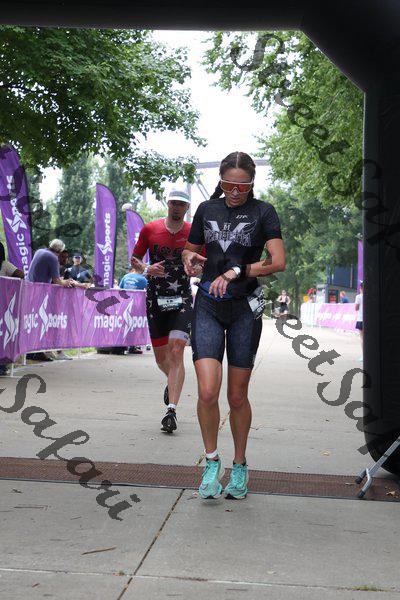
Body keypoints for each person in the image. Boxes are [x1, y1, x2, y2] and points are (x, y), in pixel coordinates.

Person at [182, 151, 285, 500]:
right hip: (208, 305)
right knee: (207, 392)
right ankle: (212, 462)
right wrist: (190, 260)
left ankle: (239, 465)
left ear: (252, 183)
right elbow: (190, 250)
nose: (236, 191)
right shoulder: (206, 209)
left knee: (237, 396)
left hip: (244, 308)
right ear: (221, 181)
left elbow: (278, 262)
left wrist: (238, 270)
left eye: (243, 186)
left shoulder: (263, 212)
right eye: (229, 185)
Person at [131, 188, 196, 434]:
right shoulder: (150, 229)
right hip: (155, 299)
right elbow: (135, 260)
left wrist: (198, 269)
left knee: (177, 350)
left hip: (182, 298)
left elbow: (203, 261)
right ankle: (173, 381)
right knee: (162, 359)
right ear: (167, 204)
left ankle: (171, 411)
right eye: (174, 203)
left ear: (187, 208)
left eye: (182, 204)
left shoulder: (193, 232)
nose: (177, 207)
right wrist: (147, 269)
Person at [27, 239, 89, 361]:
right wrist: (68, 282)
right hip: (40, 294)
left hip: (31, 290)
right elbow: (57, 281)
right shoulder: (53, 258)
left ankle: (34, 351)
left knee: (35, 322)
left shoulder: (40, 251)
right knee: (41, 322)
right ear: (59, 251)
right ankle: (37, 351)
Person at [0, 242, 24, 375]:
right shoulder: (4, 265)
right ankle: (1, 365)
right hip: (3, 305)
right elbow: (21, 274)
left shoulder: (5, 265)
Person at [119, 261, 148, 354]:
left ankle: (122, 345)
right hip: (136, 305)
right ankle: (132, 347)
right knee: (134, 324)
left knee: (124, 324)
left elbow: (119, 290)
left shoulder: (125, 276)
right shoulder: (142, 279)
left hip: (124, 303)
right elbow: (149, 290)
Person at [355, 282, 363, 361]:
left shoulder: (359, 296)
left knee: (362, 337)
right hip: (371, 320)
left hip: (361, 319)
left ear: (360, 288)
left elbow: (356, 308)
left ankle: (364, 355)